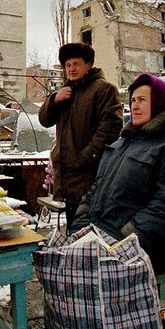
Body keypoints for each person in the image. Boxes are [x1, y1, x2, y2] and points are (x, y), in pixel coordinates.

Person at [70, 73, 165, 274]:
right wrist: (80, 226)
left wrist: (125, 239)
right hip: (99, 240)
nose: (135, 105)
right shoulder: (121, 143)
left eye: (142, 100)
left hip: (139, 252)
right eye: (132, 100)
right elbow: (95, 189)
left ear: (160, 103)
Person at [38, 42, 123, 228]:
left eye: (76, 64)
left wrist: (85, 157)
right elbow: (44, 120)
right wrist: (54, 100)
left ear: (89, 64)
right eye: (68, 65)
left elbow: (111, 128)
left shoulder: (103, 89)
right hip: (68, 179)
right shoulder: (66, 92)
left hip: (90, 177)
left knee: (89, 232)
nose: (71, 69)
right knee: (73, 228)